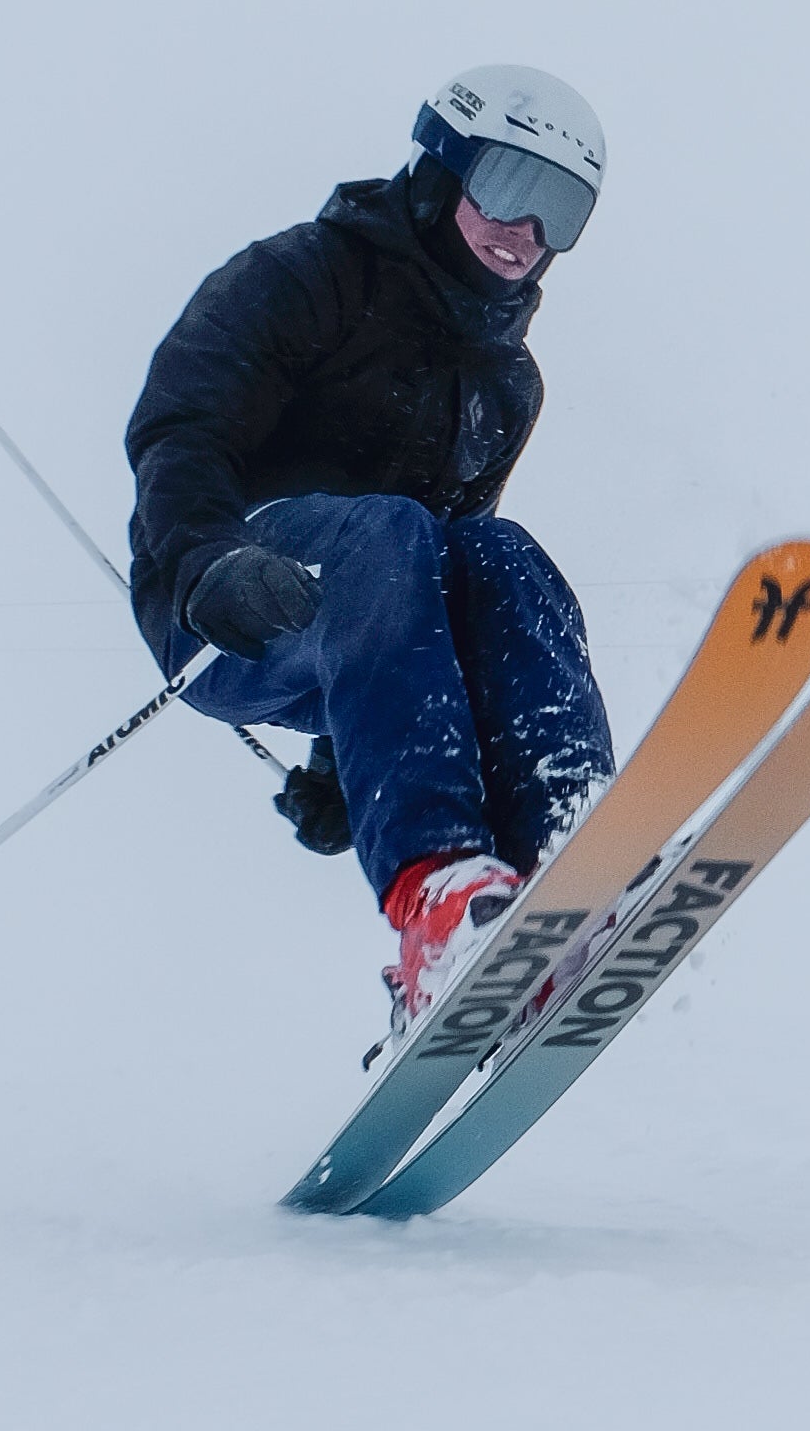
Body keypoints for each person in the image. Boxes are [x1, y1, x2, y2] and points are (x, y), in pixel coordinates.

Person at [125, 65, 616, 1027]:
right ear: (441, 171)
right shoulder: (301, 278)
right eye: (509, 187)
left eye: (561, 210)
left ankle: (561, 862)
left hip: (363, 627)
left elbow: (437, 604)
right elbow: (184, 431)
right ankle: (439, 896)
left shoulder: (506, 385)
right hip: (229, 611)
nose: (526, 231)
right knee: (393, 529)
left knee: (500, 558)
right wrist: (205, 564)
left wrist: (340, 761)